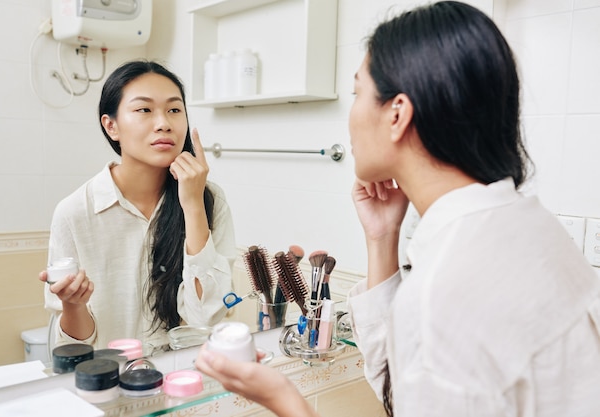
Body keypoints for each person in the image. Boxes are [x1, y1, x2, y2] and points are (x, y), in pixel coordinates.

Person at [195, 1, 600, 416]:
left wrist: (285, 400)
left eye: (357, 93)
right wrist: (382, 238)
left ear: (397, 114)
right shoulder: (527, 227)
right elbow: (406, 384)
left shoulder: (447, 286)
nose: (350, 115)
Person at [40, 60, 237, 352]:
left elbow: (206, 317)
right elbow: (73, 347)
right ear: (112, 126)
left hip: (186, 380)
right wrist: (72, 305)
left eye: (174, 110)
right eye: (144, 110)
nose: (164, 123)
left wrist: (193, 204)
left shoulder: (208, 199)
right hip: (111, 384)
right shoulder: (75, 213)